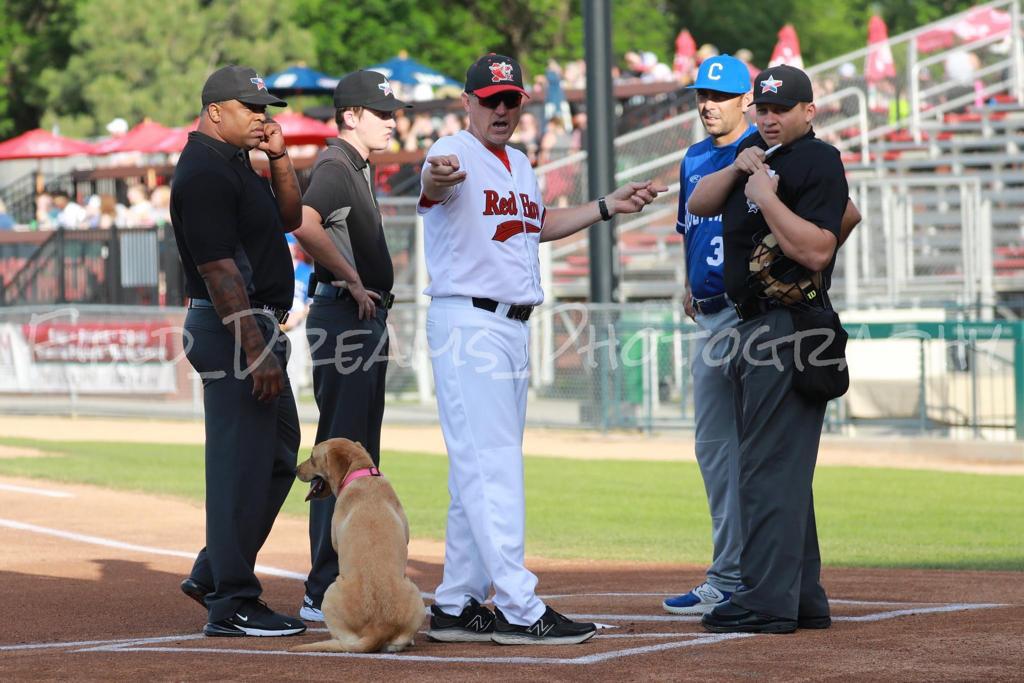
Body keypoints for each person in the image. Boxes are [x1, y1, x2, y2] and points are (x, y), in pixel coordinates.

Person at [419, 53, 665, 645]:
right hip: (469, 323)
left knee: (476, 470)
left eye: (510, 99)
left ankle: (455, 603)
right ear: (468, 102)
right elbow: (433, 182)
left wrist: (606, 206)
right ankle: (519, 607)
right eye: (490, 100)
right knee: (494, 467)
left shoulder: (521, 163)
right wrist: (436, 178)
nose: (501, 109)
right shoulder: (452, 150)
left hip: (510, 326)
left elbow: (538, 223)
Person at [688, 64, 849, 634]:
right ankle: (801, 595)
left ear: (809, 111)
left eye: (782, 109)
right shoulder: (754, 150)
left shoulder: (818, 159)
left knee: (764, 468)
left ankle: (764, 599)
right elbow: (700, 204)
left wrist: (766, 200)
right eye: (764, 108)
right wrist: (740, 167)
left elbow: (819, 249)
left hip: (789, 326)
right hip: (757, 325)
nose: (771, 118)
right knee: (780, 468)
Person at [170, 64, 306, 638]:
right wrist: (255, 349)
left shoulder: (236, 162)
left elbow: (290, 218)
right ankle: (232, 602)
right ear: (215, 110)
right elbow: (219, 271)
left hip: (254, 327)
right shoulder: (202, 170)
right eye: (250, 107)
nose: (261, 116)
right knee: (239, 470)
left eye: (264, 107)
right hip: (233, 330)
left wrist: (280, 159)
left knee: (277, 457)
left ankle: (213, 572)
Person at [289, 69, 410, 622]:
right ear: (351, 116)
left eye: (393, 113)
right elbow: (302, 222)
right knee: (339, 460)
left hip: (359, 319)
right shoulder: (336, 165)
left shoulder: (355, 166)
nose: (392, 121)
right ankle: (321, 587)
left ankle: (354, 577)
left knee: (358, 462)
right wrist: (353, 279)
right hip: (344, 316)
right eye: (381, 113)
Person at [663, 55, 756, 617]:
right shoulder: (694, 157)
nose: (708, 104)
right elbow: (689, 229)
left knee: (760, 450)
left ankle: (751, 573)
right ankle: (728, 574)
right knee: (715, 450)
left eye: (720, 96)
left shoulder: (760, 151)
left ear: (747, 100)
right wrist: (688, 281)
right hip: (711, 318)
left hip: (754, 318)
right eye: (702, 94)